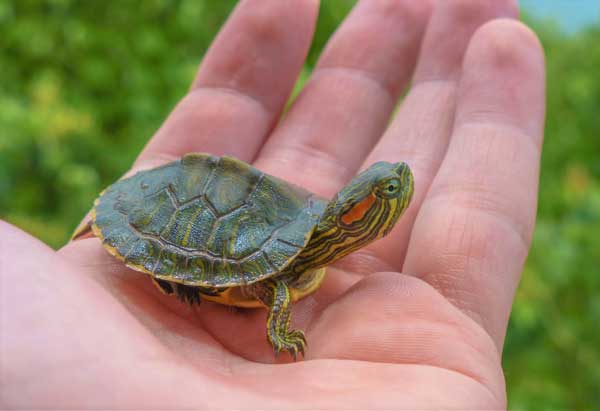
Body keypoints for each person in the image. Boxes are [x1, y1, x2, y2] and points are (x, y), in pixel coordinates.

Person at [0, 0, 545, 408]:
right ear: (355, 212)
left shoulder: (313, 241)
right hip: (165, 210)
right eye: (386, 194)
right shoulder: (287, 272)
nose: (397, 188)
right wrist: (278, 329)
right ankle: (106, 219)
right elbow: (275, 283)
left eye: (388, 192)